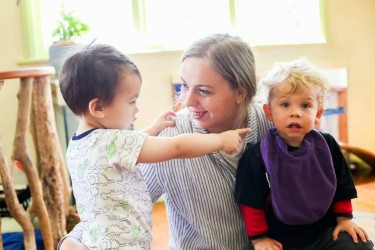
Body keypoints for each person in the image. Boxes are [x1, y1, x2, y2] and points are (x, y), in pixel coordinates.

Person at [59, 33, 273, 250]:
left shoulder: (275, 126)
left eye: (203, 90)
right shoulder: (171, 135)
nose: (187, 101)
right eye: (185, 86)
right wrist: (69, 241)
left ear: (240, 92)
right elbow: (107, 202)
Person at [234, 58, 374, 250]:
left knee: (362, 245)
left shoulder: (328, 145)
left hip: (324, 232)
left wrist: (344, 219)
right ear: (269, 112)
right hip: (279, 238)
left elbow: (342, 184)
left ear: (318, 114)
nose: (295, 113)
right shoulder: (256, 156)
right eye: (285, 105)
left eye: (305, 106)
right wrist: (259, 240)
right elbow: (251, 201)